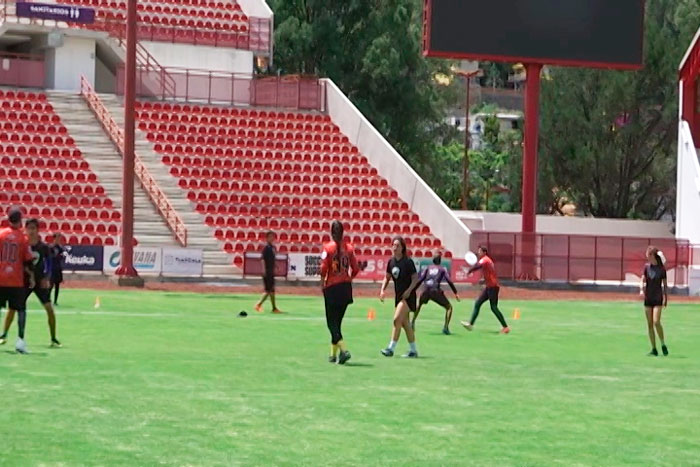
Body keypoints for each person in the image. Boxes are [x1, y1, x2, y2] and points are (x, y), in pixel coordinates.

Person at [0, 219, 61, 347]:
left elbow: (49, 263)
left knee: (49, 309)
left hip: (39, 282)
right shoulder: (22, 243)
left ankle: (53, 338)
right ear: (25, 229)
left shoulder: (43, 247)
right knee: (13, 309)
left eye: (34, 228)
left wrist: (47, 277)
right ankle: (4, 334)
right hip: (24, 281)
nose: (31, 231)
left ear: (38, 230)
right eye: (29, 228)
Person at [320, 221, 361, 364]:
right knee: (337, 322)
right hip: (346, 288)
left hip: (332, 287)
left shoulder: (328, 248)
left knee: (331, 323)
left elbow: (323, 269)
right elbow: (355, 268)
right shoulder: (349, 248)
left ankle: (344, 350)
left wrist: (322, 283)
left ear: (331, 232)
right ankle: (332, 355)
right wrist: (348, 278)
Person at [0, 207, 35, 353]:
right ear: (20, 220)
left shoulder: (1, 234)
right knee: (21, 310)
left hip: (1, 278)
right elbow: (28, 260)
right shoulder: (22, 238)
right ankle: (20, 340)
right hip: (15, 280)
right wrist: (32, 276)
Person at [380, 237, 420, 358]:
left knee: (397, 319)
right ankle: (413, 350)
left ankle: (391, 348)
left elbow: (415, 279)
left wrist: (409, 290)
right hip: (398, 297)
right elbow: (387, 277)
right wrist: (382, 290)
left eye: (397, 245)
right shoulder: (391, 262)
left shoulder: (408, 262)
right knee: (405, 324)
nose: (394, 247)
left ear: (402, 248)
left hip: (408, 297)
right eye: (393, 245)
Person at [461, 246, 510, 334]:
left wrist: (469, 271)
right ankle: (470, 324)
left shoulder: (485, 260)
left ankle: (505, 327)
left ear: (484, 252)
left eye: (480, 252)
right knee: (478, 303)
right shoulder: (487, 260)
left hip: (493, 286)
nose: (478, 253)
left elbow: (478, 266)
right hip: (489, 286)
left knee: (494, 307)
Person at [413, 252, 460, 335]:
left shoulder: (428, 268)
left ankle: (412, 322)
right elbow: (449, 281)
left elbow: (420, 279)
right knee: (449, 307)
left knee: (419, 305)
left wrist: (413, 290)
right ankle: (445, 328)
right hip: (435, 290)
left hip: (426, 289)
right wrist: (455, 292)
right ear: (440, 261)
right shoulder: (442, 269)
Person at [640, 246, 669, 356]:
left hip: (657, 298)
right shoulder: (646, 267)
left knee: (656, 322)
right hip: (648, 298)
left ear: (653, 255)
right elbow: (642, 279)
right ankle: (654, 349)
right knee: (650, 324)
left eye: (648, 255)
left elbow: (665, 285)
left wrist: (666, 297)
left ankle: (662, 344)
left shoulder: (661, 270)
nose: (647, 257)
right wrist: (641, 288)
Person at [255, 231, 282, 314]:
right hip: (267, 272)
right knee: (268, 290)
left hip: (271, 271)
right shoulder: (266, 248)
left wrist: (276, 266)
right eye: (270, 237)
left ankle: (274, 308)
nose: (272, 238)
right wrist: (263, 270)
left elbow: (273, 259)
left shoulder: (273, 248)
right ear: (267, 238)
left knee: (272, 290)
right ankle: (258, 304)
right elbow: (262, 259)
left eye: (273, 237)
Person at [49, 233, 65, 306]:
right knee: (50, 285)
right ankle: (48, 299)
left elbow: (62, 257)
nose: (59, 240)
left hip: (58, 268)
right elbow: (50, 257)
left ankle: (55, 301)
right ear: (54, 239)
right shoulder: (51, 247)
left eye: (59, 238)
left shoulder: (60, 248)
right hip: (52, 268)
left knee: (57, 285)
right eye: (58, 238)